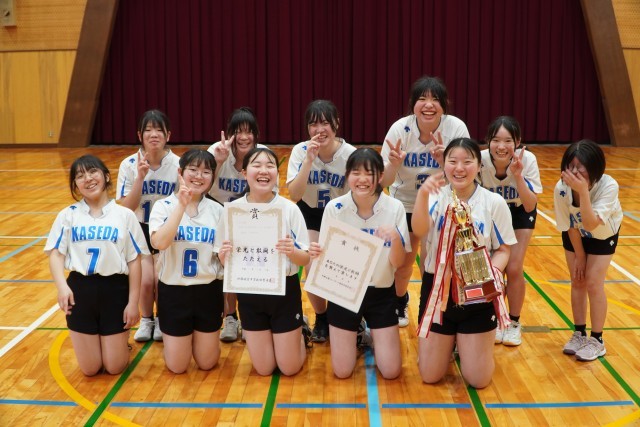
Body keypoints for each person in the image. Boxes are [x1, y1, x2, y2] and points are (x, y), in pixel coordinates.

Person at [412, 138, 516, 389]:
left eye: (467, 162)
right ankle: (452, 343)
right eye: (453, 161)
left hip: (478, 289)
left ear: (479, 166)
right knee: (430, 375)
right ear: (444, 164)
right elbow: (419, 230)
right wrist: (422, 194)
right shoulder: (433, 196)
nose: (459, 168)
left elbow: (504, 249)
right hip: (438, 289)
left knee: (478, 380)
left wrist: (491, 271)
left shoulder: (493, 202)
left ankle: (467, 344)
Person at [309, 148, 410, 379]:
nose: (362, 179)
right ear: (347, 175)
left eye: (369, 173)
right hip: (344, 293)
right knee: (342, 372)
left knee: (391, 371)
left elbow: (397, 263)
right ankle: (359, 334)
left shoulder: (394, 208)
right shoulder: (334, 209)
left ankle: (371, 332)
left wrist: (395, 237)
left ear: (380, 176)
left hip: (381, 293)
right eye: (356, 173)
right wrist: (316, 254)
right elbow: (326, 261)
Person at [45, 155, 149, 376]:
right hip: (80, 291)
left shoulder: (124, 215)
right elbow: (55, 255)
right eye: (80, 176)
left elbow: (134, 261)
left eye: (93, 172)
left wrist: (133, 303)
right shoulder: (67, 215)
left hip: (115, 289)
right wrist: (62, 287)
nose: (88, 178)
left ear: (106, 176)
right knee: (90, 369)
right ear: (75, 185)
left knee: (114, 367)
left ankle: (121, 345)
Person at [381, 76, 470, 328]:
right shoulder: (400, 129)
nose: (428, 105)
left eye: (435, 99)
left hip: (441, 205)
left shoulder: (456, 128)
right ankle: (400, 301)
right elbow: (384, 180)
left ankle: (430, 309)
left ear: (444, 105)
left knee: (432, 264)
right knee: (403, 264)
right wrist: (393, 165)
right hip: (406, 203)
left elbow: (466, 175)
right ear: (413, 104)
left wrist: (444, 162)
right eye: (422, 99)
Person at [217, 147, 310, 376]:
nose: (264, 170)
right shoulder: (232, 211)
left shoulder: (289, 209)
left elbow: (305, 257)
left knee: (289, 368)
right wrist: (224, 256)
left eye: (270, 166)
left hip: (284, 293)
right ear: (244, 172)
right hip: (250, 294)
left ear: (277, 173)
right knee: (264, 369)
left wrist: (292, 251)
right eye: (257, 165)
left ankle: (301, 334)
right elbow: (224, 261)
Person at [286, 100, 356, 343]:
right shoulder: (300, 150)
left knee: (342, 268)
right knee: (311, 264)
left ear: (336, 123)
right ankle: (322, 316)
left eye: (325, 123)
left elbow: (358, 194)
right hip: (310, 213)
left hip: (340, 215)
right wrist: (308, 160)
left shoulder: (350, 154)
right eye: (313, 124)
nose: (319, 129)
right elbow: (294, 195)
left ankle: (346, 316)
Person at [149, 149, 225, 373]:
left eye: (206, 172)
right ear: (180, 172)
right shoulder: (163, 206)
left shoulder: (218, 211)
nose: (199, 176)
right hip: (174, 292)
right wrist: (181, 205)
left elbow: (223, 258)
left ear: (212, 177)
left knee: (207, 363)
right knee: (177, 367)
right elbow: (159, 243)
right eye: (193, 170)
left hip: (208, 290)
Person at [553, 139, 622, 361]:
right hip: (575, 233)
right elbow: (570, 225)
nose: (574, 172)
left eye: (580, 167)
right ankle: (579, 333)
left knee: (593, 283)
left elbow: (591, 224)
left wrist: (582, 192)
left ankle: (597, 340)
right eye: (570, 166)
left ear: (594, 167)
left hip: (602, 234)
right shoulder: (561, 188)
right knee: (577, 280)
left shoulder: (608, 186)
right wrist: (580, 256)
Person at [117, 109, 180, 342]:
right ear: (139, 135)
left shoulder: (178, 164)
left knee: (160, 278)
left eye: (159, 130)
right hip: (138, 228)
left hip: (165, 229)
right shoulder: (128, 164)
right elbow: (125, 208)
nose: (154, 135)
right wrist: (140, 178)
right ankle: (146, 319)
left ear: (168, 135)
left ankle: (162, 318)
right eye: (148, 130)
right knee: (145, 281)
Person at [479, 116, 542, 346]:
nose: (501, 146)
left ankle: (513, 322)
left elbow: (530, 205)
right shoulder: (480, 159)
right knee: (491, 268)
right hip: (490, 213)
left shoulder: (528, 159)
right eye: (496, 140)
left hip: (519, 211)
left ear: (518, 141)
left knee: (514, 267)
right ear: (488, 141)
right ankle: (495, 318)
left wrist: (518, 175)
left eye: (508, 141)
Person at [207, 107, 267, 343]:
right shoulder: (217, 150)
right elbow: (202, 187)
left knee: (252, 263)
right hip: (218, 212)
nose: (243, 137)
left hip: (250, 215)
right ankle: (230, 317)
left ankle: (252, 316)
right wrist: (218, 161)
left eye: (248, 131)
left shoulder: (263, 155)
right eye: (238, 131)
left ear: (256, 134)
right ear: (230, 133)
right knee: (226, 264)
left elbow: (269, 195)